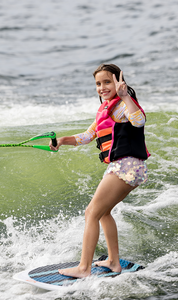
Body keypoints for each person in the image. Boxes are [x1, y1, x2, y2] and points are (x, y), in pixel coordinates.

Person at [49, 63, 150, 278]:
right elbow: (86, 136)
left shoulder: (123, 105)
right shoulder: (105, 110)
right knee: (103, 213)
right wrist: (61, 140)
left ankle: (84, 268)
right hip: (126, 167)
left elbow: (139, 121)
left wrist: (125, 97)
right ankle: (113, 261)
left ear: (118, 82)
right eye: (98, 83)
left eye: (107, 82)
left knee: (91, 213)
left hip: (126, 166)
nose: (102, 87)